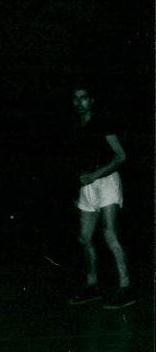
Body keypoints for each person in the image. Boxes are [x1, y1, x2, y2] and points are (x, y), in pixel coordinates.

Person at [67, 86, 135, 309]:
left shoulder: (102, 122)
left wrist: (95, 174)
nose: (79, 102)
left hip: (107, 182)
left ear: (91, 100)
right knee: (85, 237)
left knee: (109, 233)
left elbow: (121, 156)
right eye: (76, 99)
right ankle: (92, 285)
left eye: (84, 98)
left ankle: (126, 287)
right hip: (87, 187)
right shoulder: (76, 126)